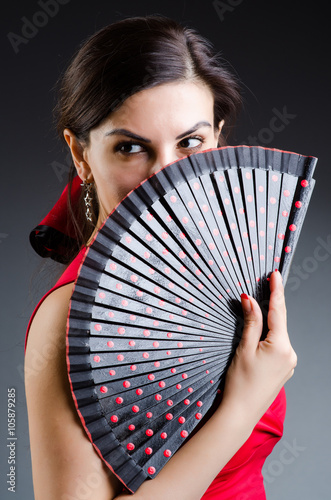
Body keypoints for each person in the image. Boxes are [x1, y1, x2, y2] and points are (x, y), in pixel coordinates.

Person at [24, 15, 297, 500]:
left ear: (218, 136)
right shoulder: (69, 320)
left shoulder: (234, 270)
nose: (166, 178)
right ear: (81, 155)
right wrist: (243, 405)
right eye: (131, 148)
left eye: (190, 143)